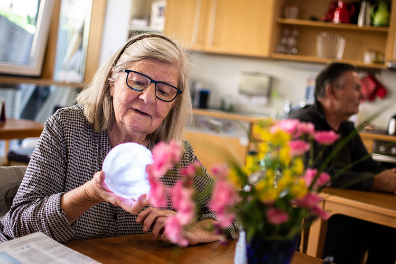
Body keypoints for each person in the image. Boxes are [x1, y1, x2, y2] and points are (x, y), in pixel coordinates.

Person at [0, 33, 237, 244]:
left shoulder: (177, 156)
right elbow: (16, 226)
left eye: (164, 91)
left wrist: (196, 229)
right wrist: (90, 194)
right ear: (112, 82)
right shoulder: (66, 129)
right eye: (138, 81)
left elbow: (235, 213)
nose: (148, 97)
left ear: (173, 104)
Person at [289, 62, 396, 264]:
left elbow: (370, 167)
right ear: (332, 91)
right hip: (304, 216)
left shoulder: (346, 129)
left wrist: (391, 177)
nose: (362, 96)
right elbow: (314, 174)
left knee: (389, 232)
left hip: (339, 212)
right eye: (356, 88)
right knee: (348, 236)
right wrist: (375, 181)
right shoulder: (303, 122)